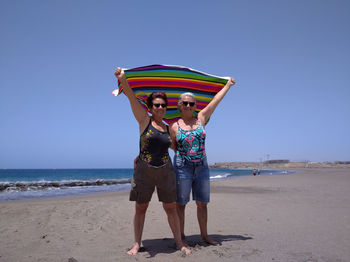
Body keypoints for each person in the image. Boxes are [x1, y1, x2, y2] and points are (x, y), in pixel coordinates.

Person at [114, 68, 190, 255]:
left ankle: (179, 243)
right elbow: (131, 97)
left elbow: (175, 147)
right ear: (150, 107)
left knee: (170, 208)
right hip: (144, 172)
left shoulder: (168, 128)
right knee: (141, 208)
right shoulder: (143, 120)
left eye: (163, 105)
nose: (160, 108)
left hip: (166, 171)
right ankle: (136, 244)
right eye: (156, 105)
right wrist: (123, 79)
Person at [170, 77, 236, 245]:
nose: (188, 106)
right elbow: (172, 146)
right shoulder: (174, 126)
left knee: (202, 203)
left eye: (191, 104)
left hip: (202, 167)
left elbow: (216, 100)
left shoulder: (201, 118)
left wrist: (228, 85)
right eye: (185, 103)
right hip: (182, 167)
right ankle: (182, 237)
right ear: (179, 105)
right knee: (181, 204)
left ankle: (204, 235)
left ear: (195, 106)